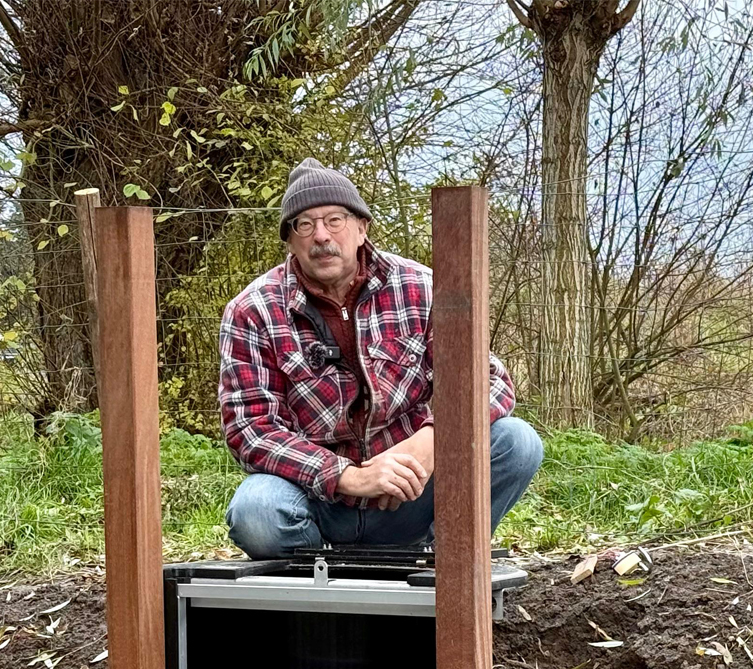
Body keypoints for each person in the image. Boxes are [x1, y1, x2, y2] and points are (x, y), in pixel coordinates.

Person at [218, 159, 543, 560]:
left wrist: (431, 440)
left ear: (361, 227)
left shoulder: (421, 288)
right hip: (318, 503)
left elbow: (491, 381)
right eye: (304, 224)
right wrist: (347, 476)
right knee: (257, 512)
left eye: (334, 219)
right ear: (290, 240)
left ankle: (444, 563)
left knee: (516, 442)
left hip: (413, 493)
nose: (321, 235)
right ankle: (320, 586)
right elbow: (251, 429)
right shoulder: (252, 311)